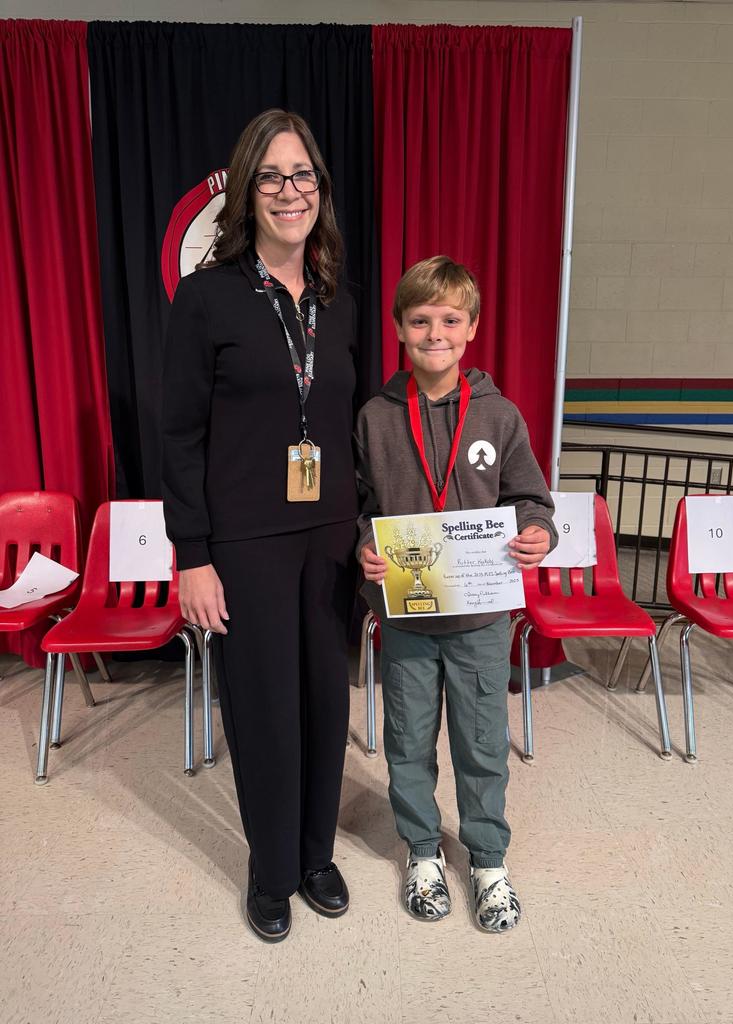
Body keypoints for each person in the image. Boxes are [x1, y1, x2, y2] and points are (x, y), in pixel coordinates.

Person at [162, 109, 359, 943]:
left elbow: (349, 424)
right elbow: (179, 435)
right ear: (248, 190)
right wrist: (193, 556)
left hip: (331, 538)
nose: (290, 191)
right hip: (244, 543)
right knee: (265, 709)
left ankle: (317, 853)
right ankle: (272, 867)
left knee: (322, 702)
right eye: (273, 177)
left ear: (320, 188)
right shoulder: (207, 298)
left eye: (303, 175)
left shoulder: (335, 301)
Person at [355, 256, 556, 933]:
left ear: (470, 329)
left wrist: (537, 532)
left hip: (479, 618)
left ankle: (489, 860)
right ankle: (421, 851)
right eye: (419, 320)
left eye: (448, 319)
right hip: (407, 620)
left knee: (480, 744)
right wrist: (362, 549)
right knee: (408, 742)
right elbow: (358, 507)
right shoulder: (376, 417)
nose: (434, 332)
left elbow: (530, 496)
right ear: (400, 330)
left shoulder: (499, 416)